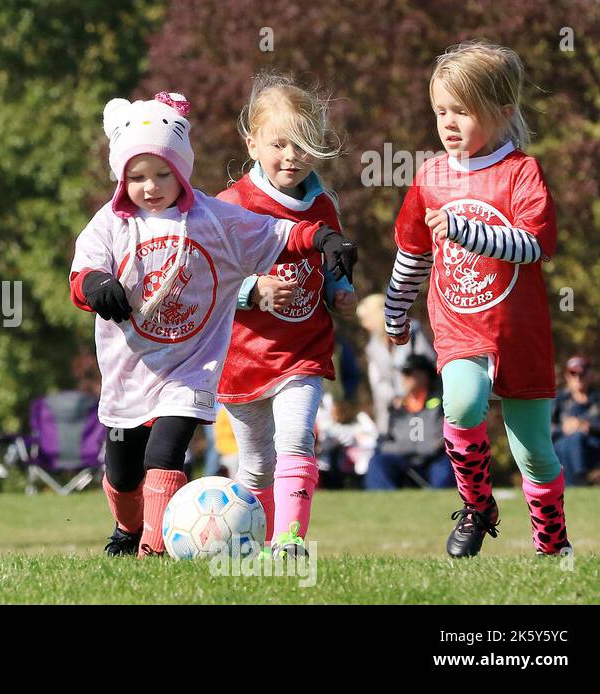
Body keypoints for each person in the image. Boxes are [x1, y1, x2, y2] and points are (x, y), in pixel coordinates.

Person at [68, 91, 356, 557]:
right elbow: (79, 278)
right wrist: (97, 285)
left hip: (191, 367)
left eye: (164, 173)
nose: (152, 186)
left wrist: (320, 237)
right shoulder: (109, 225)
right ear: (121, 178)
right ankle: (127, 527)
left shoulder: (211, 216)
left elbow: (277, 233)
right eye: (138, 177)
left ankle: (154, 551)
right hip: (131, 369)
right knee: (123, 470)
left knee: (165, 455)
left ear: (181, 170)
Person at [384, 40, 570, 557]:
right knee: (461, 405)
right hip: (458, 328)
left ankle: (552, 546)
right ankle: (477, 505)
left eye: (462, 111)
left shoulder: (521, 173)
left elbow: (534, 245)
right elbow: (412, 251)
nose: (447, 122)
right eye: (440, 110)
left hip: (519, 332)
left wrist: (469, 232)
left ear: (503, 112)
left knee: (532, 451)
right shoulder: (430, 177)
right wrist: (397, 307)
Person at [215, 74, 358, 555]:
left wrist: (341, 289)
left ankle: (289, 543)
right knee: (256, 464)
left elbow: (333, 261)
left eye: (303, 145)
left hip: (304, 350)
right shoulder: (230, 207)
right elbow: (206, 282)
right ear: (252, 142)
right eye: (280, 144)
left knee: (297, 437)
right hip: (243, 359)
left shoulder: (322, 204)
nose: (292, 157)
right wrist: (252, 290)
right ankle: (253, 544)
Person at [365, 354, 454, 489]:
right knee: (378, 463)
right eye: (403, 373)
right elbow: (386, 440)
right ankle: (386, 504)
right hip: (402, 459)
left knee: (446, 468)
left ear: (425, 375)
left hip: (434, 460)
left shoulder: (443, 403)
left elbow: (443, 440)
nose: (404, 378)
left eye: (408, 373)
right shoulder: (397, 408)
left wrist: (431, 447)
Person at [357, 293, 435, 430]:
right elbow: (378, 382)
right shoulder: (372, 347)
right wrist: (396, 397)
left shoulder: (413, 331)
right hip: (391, 416)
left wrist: (412, 384)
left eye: (366, 318)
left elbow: (429, 362)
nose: (364, 325)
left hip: (423, 408)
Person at [552, 355, 600, 485]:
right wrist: (564, 428)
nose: (578, 377)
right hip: (563, 445)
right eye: (573, 373)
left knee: (577, 438)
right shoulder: (558, 401)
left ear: (590, 375)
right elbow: (546, 429)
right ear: (567, 376)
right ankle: (578, 479)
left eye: (582, 373)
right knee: (570, 442)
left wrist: (588, 425)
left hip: (593, 446)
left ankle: (576, 481)